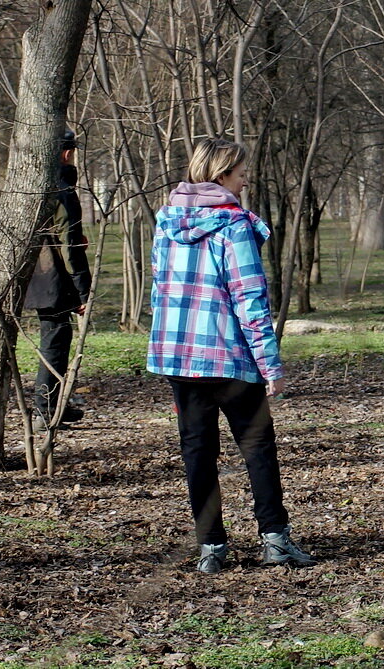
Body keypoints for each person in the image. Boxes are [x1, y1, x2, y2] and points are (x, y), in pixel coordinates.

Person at [147, 138, 315, 573]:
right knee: (257, 447)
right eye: (241, 173)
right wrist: (269, 364)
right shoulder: (233, 224)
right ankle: (275, 541)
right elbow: (250, 298)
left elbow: (159, 288)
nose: (246, 180)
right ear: (220, 175)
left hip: (179, 354)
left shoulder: (166, 220)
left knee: (197, 451)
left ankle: (211, 549)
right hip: (230, 358)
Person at [24, 129, 91, 426]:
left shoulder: (35, 187)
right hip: (54, 281)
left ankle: (52, 405)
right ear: (66, 154)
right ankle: (45, 409)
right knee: (55, 343)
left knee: (56, 341)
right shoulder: (62, 192)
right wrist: (83, 291)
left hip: (39, 277)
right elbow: (70, 247)